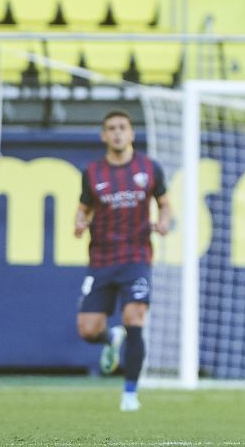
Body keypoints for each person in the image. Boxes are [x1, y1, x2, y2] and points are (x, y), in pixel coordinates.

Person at [74, 110, 171, 412]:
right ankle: (111, 337)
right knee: (88, 330)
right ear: (103, 135)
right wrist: (79, 222)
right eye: (111, 128)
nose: (117, 133)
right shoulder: (92, 172)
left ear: (131, 133)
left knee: (135, 317)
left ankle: (130, 393)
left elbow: (164, 203)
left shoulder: (149, 168)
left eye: (122, 127)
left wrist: (164, 222)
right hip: (102, 258)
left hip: (136, 256)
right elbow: (83, 207)